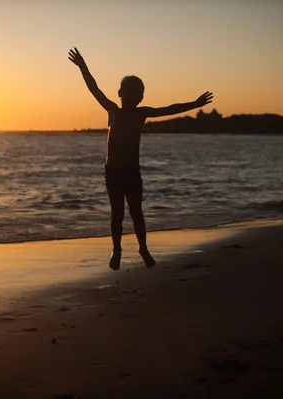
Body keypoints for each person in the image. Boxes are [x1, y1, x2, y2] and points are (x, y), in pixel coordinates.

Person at [68, 47, 213, 271]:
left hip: (132, 173)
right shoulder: (113, 110)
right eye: (128, 91)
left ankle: (143, 248)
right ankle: (116, 250)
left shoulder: (141, 113)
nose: (132, 95)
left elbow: (169, 109)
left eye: (137, 92)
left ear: (141, 97)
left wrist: (195, 104)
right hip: (113, 173)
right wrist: (82, 66)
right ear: (120, 93)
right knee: (117, 213)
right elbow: (94, 88)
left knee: (136, 212)